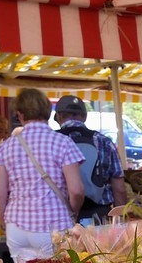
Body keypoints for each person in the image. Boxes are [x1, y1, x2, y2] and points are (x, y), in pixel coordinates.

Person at [0, 88, 84, 263]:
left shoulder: (5, 147)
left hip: (16, 226)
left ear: (20, 114)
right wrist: (71, 210)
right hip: (54, 224)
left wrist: (6, 222)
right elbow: (77, 190)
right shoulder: (62, 142)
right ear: (49, 112)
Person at [53, 95, 129, 224]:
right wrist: (122, 219)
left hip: (61, 216)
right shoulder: (105, 142)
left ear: (59, 116)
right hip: (98, 215)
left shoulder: (52, 141)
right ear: (84, 116)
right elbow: (119, 188)